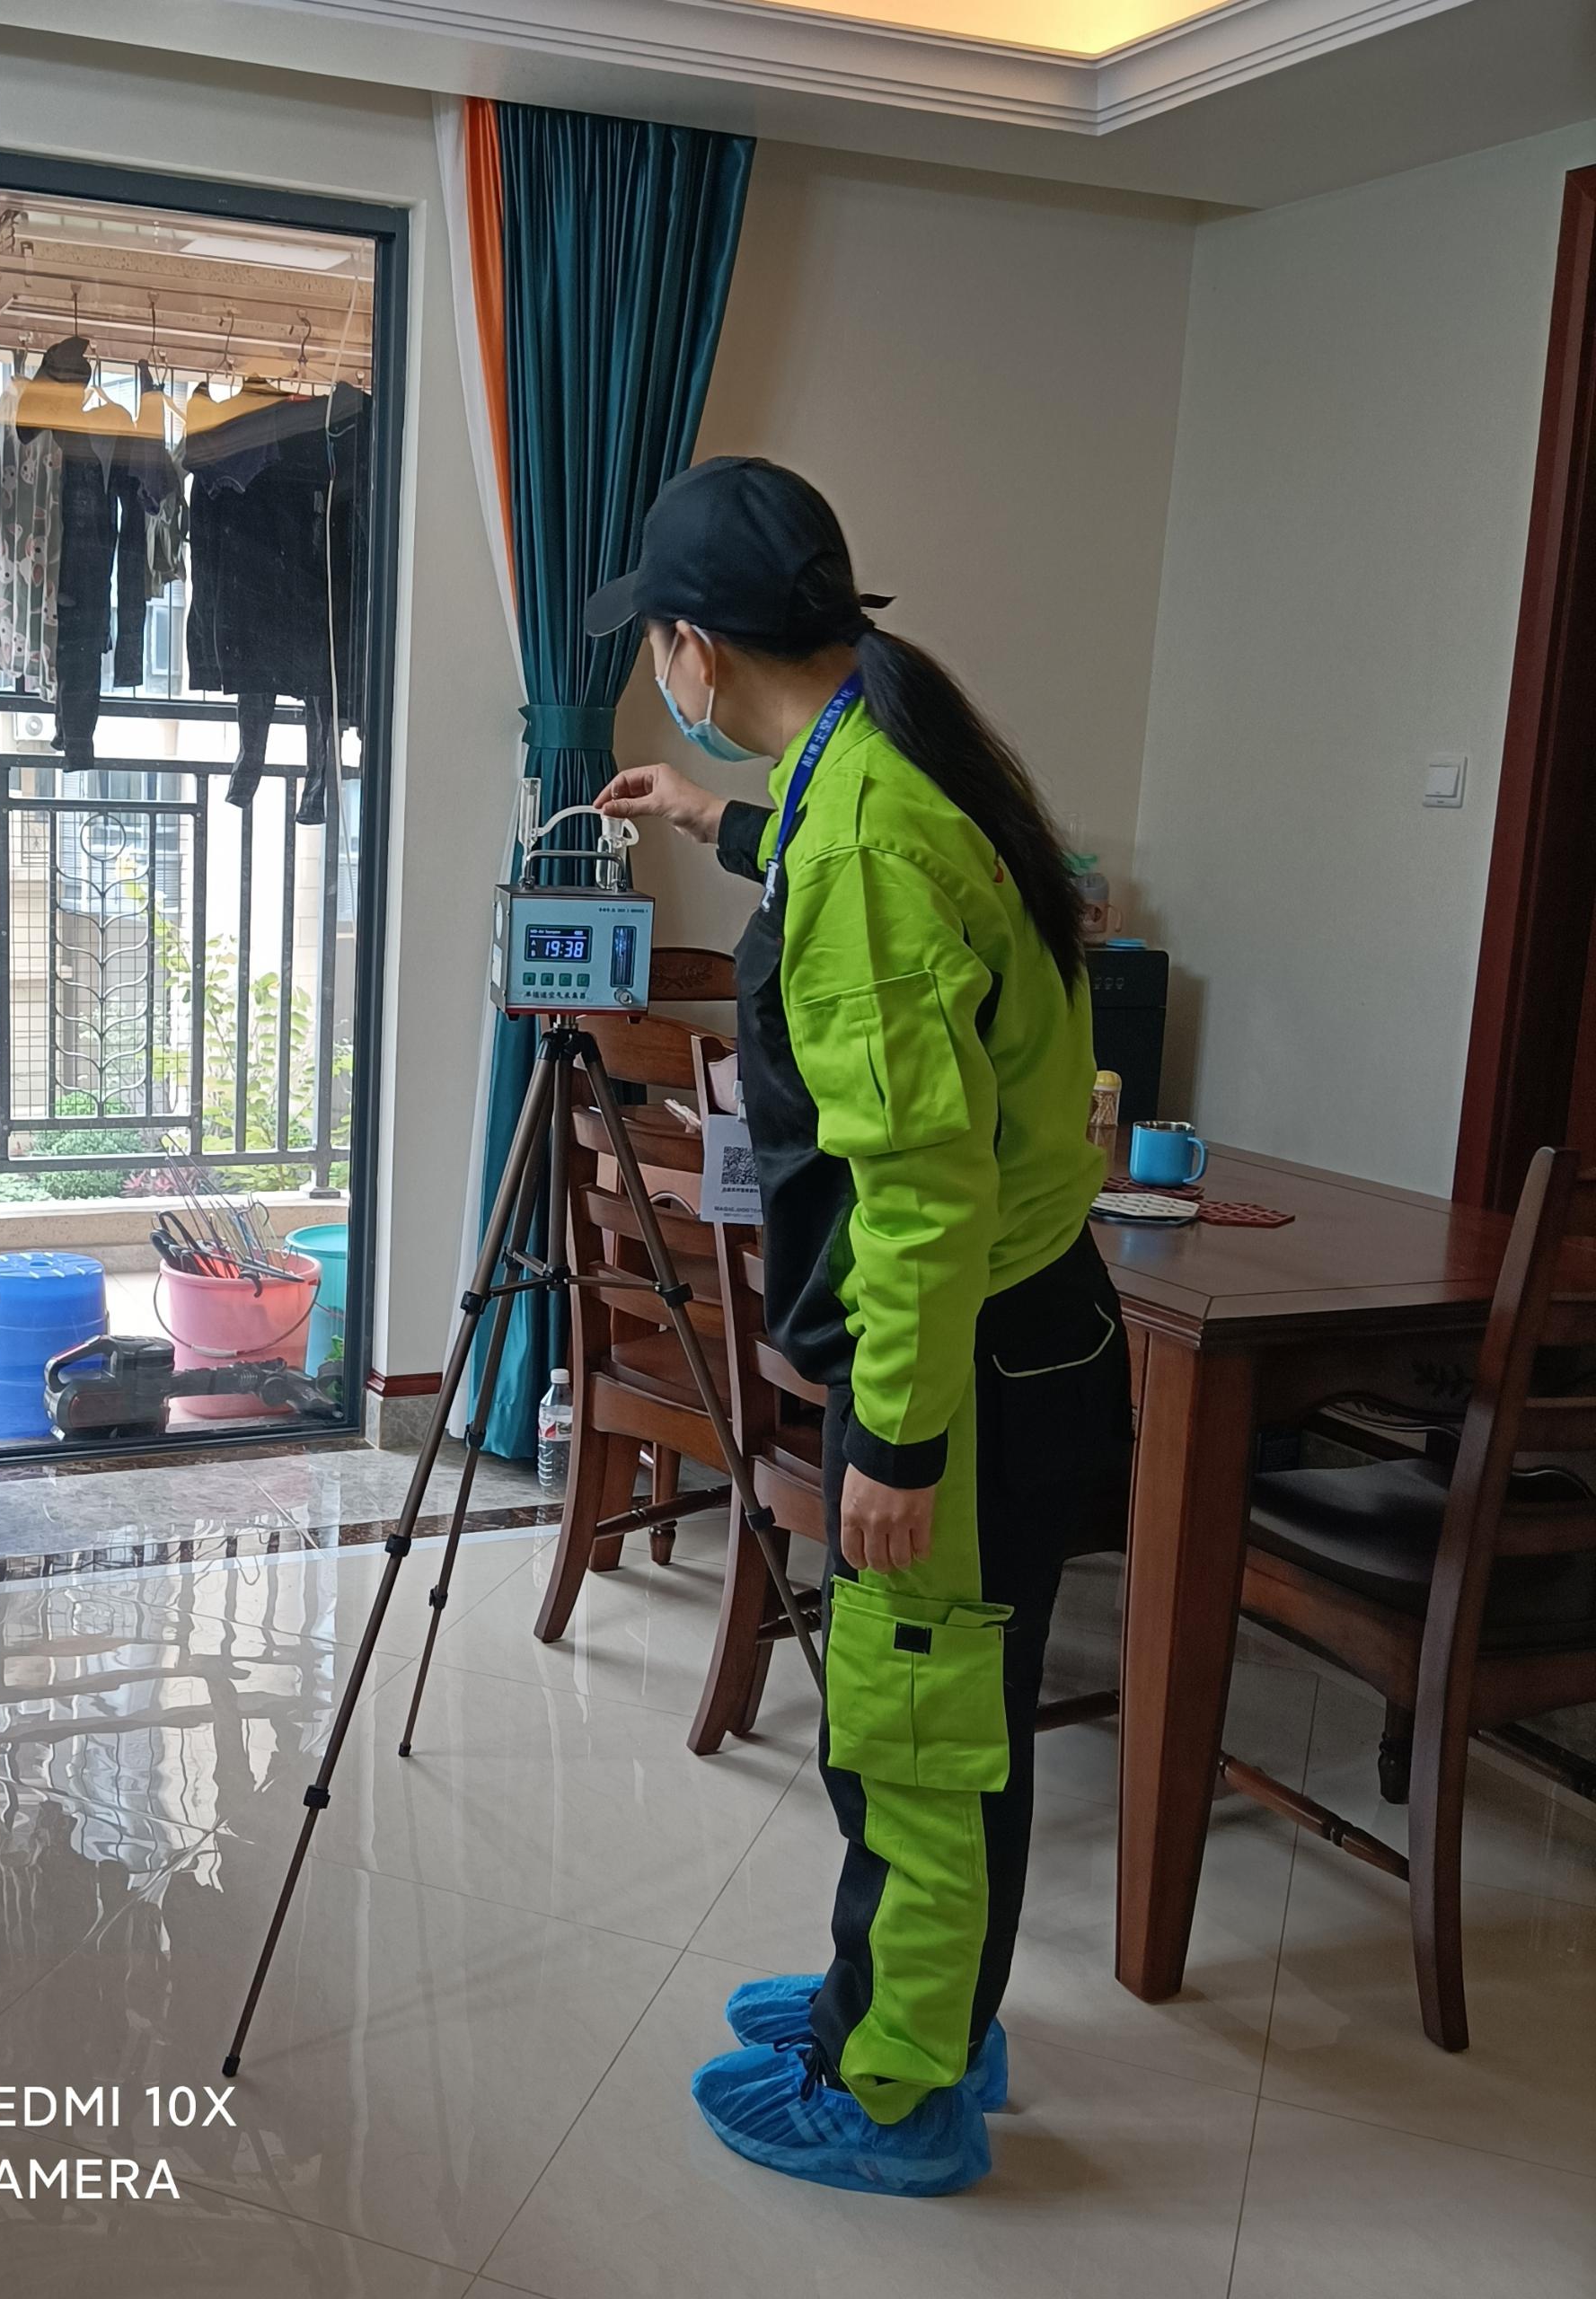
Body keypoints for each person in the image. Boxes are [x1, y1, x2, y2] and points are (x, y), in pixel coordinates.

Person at [586, 457, 1131, 2198]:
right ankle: (908, 2005)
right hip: (1016, 1332)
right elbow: (837, 859)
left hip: (956, 1362)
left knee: (910, 1732)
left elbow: (916, 1187)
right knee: (939, 1716)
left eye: (657, 649)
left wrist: (894, 1439)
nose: (660, 673)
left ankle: (895, 2089)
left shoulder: (871, 845)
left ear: (694, 644)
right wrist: (711, 816)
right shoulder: (878, 765)